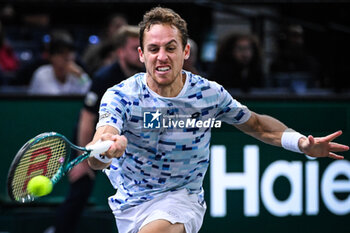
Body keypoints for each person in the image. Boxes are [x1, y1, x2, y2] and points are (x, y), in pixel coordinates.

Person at [86, 7, 348, 233]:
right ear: (142, 54)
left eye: (170, 47)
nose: (162, 56)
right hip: (129, 205)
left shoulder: (208, 94)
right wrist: (107, 150)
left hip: (181, 199)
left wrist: (300, 142)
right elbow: (96, 155)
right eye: (153, 49)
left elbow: (256, 124)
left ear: (186, 51)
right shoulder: (120, 95)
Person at [48, 25, 144, 233]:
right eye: (134, 47)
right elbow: (87, 118)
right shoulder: (103, 78)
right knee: (80, 191)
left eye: (141, 48)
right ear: (120, 51)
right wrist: (82, 156)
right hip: (95, 140)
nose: (140, 53)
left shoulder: (146, 77)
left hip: (128, 143)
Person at [28, 30, 91, 95]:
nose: (67, 57)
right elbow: (52, 101)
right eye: (62, 53)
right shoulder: (41, 74)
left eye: (70, 52)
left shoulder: (77, 74)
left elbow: (90, 96)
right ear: (51, 57)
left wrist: (81, 75)